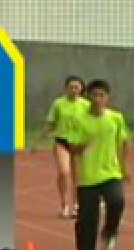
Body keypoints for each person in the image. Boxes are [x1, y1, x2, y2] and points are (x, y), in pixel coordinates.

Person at [68, 79, 130, 250]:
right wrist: (81, 146)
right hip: (87, 175)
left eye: (101, 95)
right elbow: (72, 148)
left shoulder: (116, 118)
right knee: (87, 217)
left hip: (111, 172)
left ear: (107, 98)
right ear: (88, 97)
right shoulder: (79, 119)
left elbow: (124, 142)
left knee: (117, 201)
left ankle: (109, 232)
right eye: (94, 95)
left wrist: (124, 167)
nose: (97, 99)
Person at [35, 76, 90, 219]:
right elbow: (50, 123)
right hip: (62, 142)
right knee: (64, 172)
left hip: (79, 144)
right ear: (65, 88)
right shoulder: (58, 103)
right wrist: (39, 141)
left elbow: (92, 124)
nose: (74, 90)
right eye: (71, 87)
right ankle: (64, 204)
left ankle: (77, 205)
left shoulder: (86, 105)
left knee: (78, 176)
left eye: (77, 87)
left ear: (81, 89)